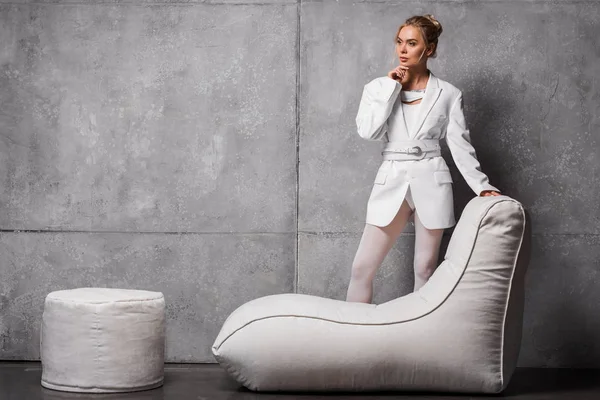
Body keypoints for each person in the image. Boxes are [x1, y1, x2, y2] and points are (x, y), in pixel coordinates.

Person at [346, 14, 502, 304]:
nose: (403, 49)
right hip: (391, 181)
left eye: (412, 43)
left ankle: (419, 346)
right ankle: (354, 338)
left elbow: (460, 145)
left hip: (432, 180)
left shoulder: (449, 94)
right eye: (399, 42)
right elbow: (368, 132)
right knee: (361, 269)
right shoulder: (378, 89)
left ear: (428, 50)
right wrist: (391, 89)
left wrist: (481, 186)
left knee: (425, 270)